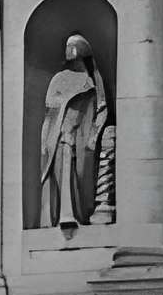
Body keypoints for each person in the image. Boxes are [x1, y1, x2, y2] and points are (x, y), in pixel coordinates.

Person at [39, 33, 112, 228]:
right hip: (60, 133)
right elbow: (51, 108)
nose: (70, 50)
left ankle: (78, 213)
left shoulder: (91, 80)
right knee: (61, 171)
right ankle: (63, 214)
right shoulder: (59, 78)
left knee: (79, 172)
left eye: (73, 47)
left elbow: (101, 107)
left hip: (81, 134)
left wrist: (94, 135)